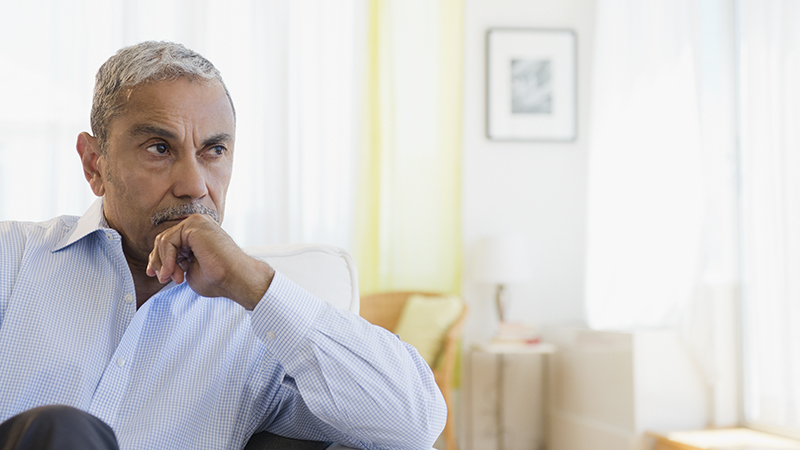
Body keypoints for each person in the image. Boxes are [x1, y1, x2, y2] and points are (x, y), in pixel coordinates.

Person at [0, 41, 446, 450]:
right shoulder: (13, 259)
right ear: (95, 163)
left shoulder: (261, 325)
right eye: (159, 147)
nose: (194, 185)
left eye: (214, 151)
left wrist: (252, 284)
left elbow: (415, 424)